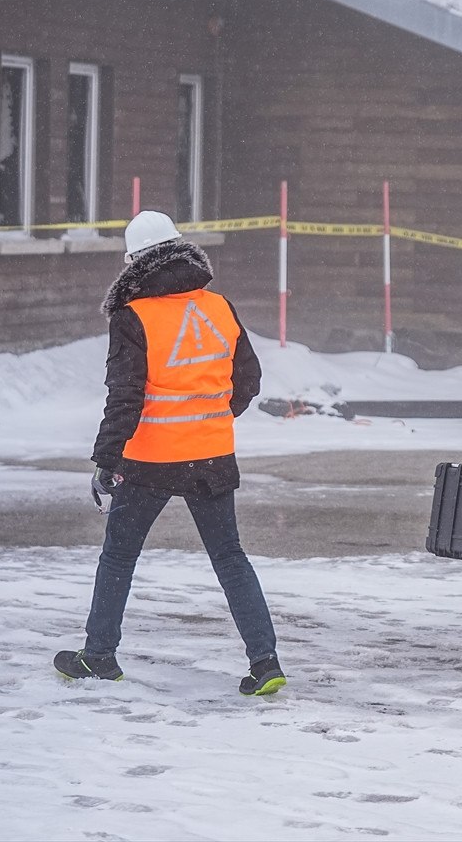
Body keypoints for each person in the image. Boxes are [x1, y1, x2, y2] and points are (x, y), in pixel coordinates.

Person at [54, 211, 285, 696]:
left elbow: (125, 396)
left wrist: (106, 461)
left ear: (135, 262)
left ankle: (98, 655)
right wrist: (212, 421)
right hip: (212, 458)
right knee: (230, 558)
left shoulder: (133, 315)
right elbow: (248, 381)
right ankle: (265, 663)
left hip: (150, 461)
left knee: (118, 558)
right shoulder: (220, 306)